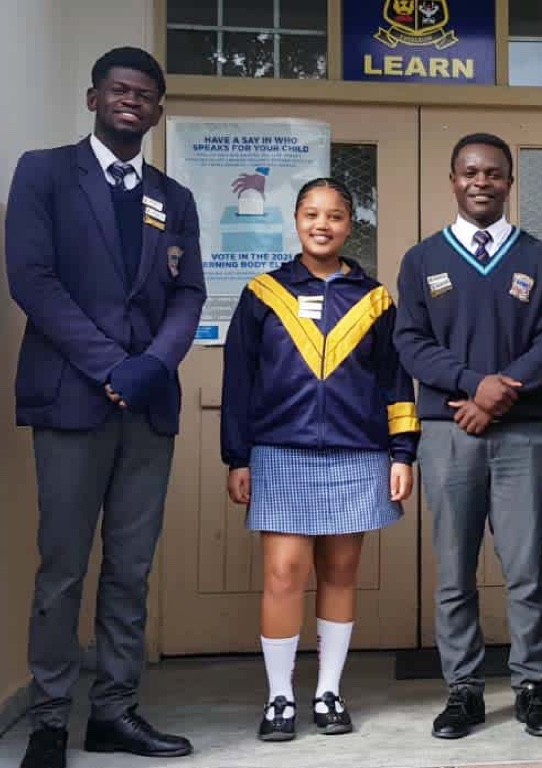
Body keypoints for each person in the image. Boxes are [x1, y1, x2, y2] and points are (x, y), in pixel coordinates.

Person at [5, 47, 206, 768]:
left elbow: (188, 296)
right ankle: (52, 719)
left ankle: (115, 712)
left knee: (130, 567)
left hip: (145, 408)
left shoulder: (173, 198)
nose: (133, 101)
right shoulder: (44, 172)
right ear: (94, 98)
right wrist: (109, 365)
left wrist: (150, 367)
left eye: (146, 94)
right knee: (61, 567)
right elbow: (31, 277)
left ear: (157, 109)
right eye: (120, 90)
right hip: (71, 401)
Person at [221, 177, 419, 742]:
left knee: (340, 571)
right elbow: (239, 381)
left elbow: (394, 381)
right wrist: (238, 457)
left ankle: (329, 691)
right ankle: (279, 697)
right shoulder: (262, 292)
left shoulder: (375, 297)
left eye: (334, 215)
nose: (322, 224)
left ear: (349, 226)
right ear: (296, 220)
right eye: (311, 214)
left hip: (358, 453)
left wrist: (402, 452)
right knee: (284, 574)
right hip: (280, 451)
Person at [394, 133, 542, 740]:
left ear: (509, 182)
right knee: (453, 573)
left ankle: (531, 687)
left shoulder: (540, 257)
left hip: (523, 436)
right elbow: (410, 342)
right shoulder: (422, 259)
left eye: (494, 173)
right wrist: (474, 385)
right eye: (470, 171)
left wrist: (504, 390)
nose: (481, 182)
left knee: (525, 570)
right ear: (452, 179)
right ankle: (464, 690)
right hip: (448, 435)